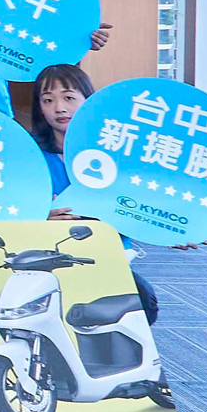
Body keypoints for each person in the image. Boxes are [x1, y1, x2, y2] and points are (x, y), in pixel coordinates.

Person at [31, 63, 162, 320]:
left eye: (69, 98)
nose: (59, 108)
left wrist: (175, 231)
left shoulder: (116, 152)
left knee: (143, 301)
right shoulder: (28, 155)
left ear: (88, 101)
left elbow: (138, 206)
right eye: (48, 100)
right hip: (44, 257)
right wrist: (40, 216)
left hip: (105, 255)